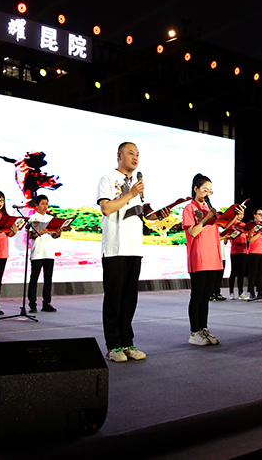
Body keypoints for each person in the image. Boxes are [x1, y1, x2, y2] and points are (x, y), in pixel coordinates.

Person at [97, 142, 169, 362]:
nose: (135, 157)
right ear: (119, 155)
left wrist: (159, 215)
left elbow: (145, 214)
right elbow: (106, 208)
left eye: (137, 154)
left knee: (129, 299)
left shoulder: (138, 187)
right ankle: (113, 346)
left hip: (134, 247)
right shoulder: (108, 179)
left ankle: (127, 343)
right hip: (115, 248)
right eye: (131, 153)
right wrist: (131, 193)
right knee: (114, 298)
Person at [183, 174, 243, 345]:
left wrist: (235, 217)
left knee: (206, 296)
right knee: (197, 295)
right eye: (205, 189)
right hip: (199, 256)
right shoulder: (190, 208)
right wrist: (206, 218)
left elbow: (223, 226)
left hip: (213, 256)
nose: (207, 193)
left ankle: (203, 328)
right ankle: (194, 332)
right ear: (196, 189)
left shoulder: (210, 209)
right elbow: (193, 232)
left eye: (210, 190)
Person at [27, 194, 61, 313]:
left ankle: (46, 303)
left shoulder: (51, 218)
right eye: (42, 204)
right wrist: (39, 233)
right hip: (37, 253)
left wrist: (58, 233)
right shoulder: (32, 218)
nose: (45, 206)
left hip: (49, 252)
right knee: (34, 280)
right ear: (36, 205)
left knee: (48, 280)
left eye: (46, 203)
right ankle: (32, 304)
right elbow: (30, 235)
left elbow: (54, 235)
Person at [246, 208, 262, 299]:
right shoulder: (251, 226)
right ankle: (251, 292)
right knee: (253, 272)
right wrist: (259, 233)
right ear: (254, 215)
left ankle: (260, 291)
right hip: (253, 252)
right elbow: (250, 240)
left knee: (261, 273)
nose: (261, 216)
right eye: (259, 214)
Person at [227, 221, 249, 300]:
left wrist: (249, 233)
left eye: (242, 215)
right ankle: (231, 292)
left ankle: (240, 292)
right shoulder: (232, 224)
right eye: (239, 214)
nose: (241, 216)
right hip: (235, 251)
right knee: (233, 272)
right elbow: (231, 236)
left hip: (244, 251)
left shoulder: (244, 225)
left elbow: (247, 237)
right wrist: (239, 231)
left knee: (241, 273)